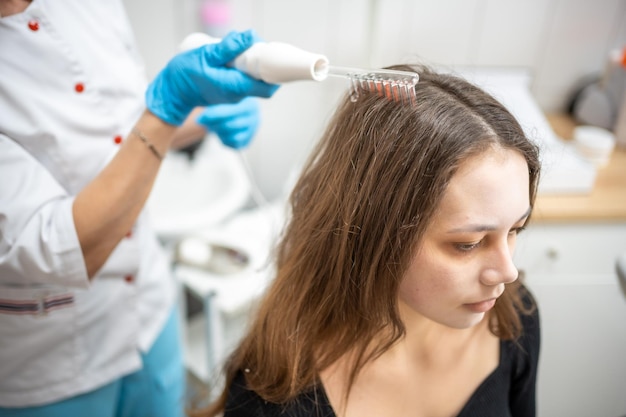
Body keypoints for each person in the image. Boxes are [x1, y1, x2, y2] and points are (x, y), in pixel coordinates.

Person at [193, 64, 542, 417]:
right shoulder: (274, 396)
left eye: (515, 230)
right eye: (468, 243)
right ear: (377, 231)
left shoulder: (513, 317)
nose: (507, 272)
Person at [0, 0, 278, 416]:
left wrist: (202, 114)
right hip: (52, 360)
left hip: (150, 306)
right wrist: (170, 104)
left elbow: (126, 129)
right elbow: (58, 246)